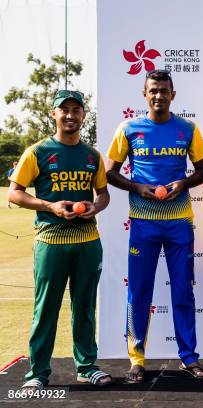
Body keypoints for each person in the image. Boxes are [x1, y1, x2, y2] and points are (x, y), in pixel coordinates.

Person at [106, 69, 203, 383]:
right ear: (144, 93)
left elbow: (202, 172)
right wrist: (137, 187)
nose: (159, 96)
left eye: (164, 91)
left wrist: (183, 182)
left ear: (173, 95)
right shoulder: (129, 129)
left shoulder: (188, 129)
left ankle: (189, 358)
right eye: (153, 90)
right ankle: (137, 360)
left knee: (182, 291)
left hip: (179, 223)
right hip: (143, 224)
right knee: (139, 292)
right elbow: (110, 173)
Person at [8, 90, 112, 390]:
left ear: (83, 115)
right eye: (63, 109)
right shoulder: (38, 151)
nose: (70, 115)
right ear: (53, 114)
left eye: (76, 109)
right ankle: (38, 373)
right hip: (51, 241)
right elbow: (15, 192)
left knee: (85, 307)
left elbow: (103, 193)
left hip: (87, 240)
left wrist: (96, 205)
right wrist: (49, 206)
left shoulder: (92, 155)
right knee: (46, 309)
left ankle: (87, 366)